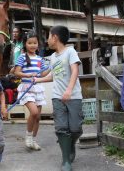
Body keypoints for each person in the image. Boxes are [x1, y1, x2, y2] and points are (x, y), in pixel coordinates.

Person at [35, 25, 83, 171]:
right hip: (57, 97)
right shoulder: (52, 57)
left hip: (73, 96)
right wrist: (36, 80)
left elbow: (75, 70)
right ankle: (65, 160)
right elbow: (52, 76)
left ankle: (71, 145)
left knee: (76, 129)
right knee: (61, 128)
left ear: (55, 38)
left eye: (48, 36)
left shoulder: (70, 52)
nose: (47, 40)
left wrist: (69, 90)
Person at [14, 31, 49, 151]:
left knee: (38, 117)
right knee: (33, 113)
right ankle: (28, 136)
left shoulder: (40, 59)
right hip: (26, 88)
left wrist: (51, 67)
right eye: (30, 43)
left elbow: (43, 73)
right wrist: (28, 75)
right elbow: (16, 72)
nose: (33, 45)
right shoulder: (22, 57)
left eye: (35, 43)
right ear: (25, 44)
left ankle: (33, 140)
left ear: (38, 44)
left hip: (37, 88)